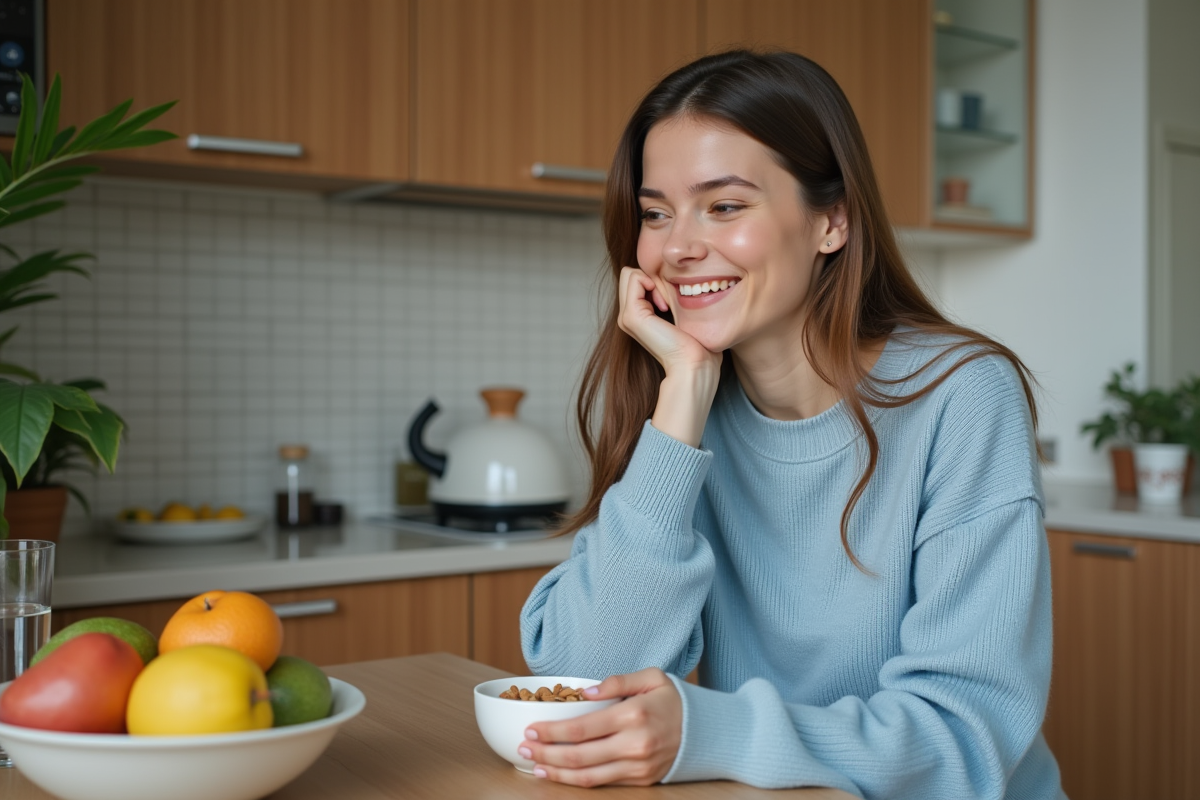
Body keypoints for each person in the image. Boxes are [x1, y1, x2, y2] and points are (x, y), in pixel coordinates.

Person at [517, 50, 1065, 799]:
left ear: (831, 221)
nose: (677, 247)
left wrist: (714, 731)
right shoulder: (690, 407)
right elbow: (580, 681)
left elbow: (966, 737)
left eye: (726, 205)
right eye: (655, 213)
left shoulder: (960, 395)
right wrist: (678, 410)